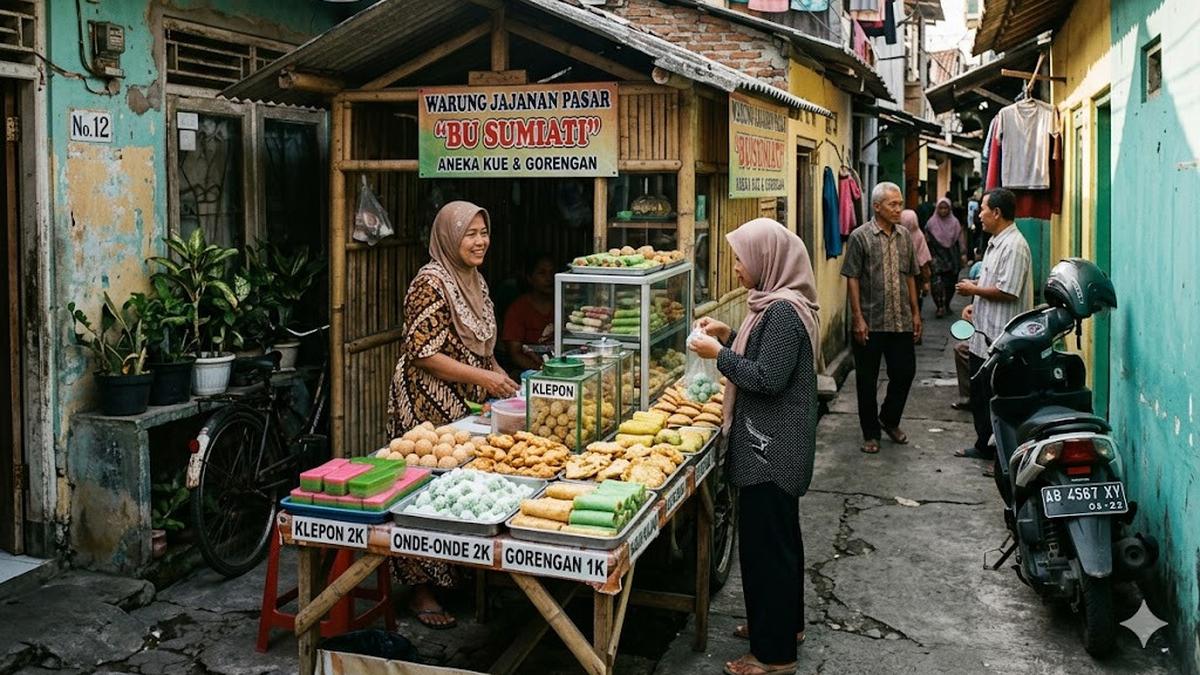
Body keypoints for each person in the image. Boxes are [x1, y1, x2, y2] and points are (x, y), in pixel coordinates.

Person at [688, 218, 819, 675]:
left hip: (772, 452)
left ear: (767, 259)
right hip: (777, 445)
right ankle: (783, 624)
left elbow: (766, 378)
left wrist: (717, 356)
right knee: (781, 543)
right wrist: (728, 336)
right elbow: (763, 356)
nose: (737, 268)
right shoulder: (774, 306)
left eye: (741, 259)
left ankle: (774, 655)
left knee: (768, 548)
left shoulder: (782, 312)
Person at [387, 201, 519, 628]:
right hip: (424, 404)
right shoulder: (430, 283)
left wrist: (505, 381)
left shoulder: (475, 281)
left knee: (458, 488)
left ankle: (453, 578)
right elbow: (423, 354)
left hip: (463, 400)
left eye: (484, 232)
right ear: (449, 237)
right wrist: (485, 378)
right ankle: (420, 591)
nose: (480, 241)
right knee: (422, 491)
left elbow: (481, 347)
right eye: (470, 234)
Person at [841, 182, 922, 454]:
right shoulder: (860, 237)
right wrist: (857, 318)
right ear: (877, 207)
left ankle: (889, 419)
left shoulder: (905, 237)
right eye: (893, 204)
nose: (899, 209)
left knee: (905, 372)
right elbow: (852, 277)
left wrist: (915, 312)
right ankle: (870, 433)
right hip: (871, 320)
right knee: (867, 379)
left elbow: (910, 274)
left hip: (900, 320)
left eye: (900, 204)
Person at [953, 188, 1032, 462]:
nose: (979, 217)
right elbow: (994, 285)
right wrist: (976, 302)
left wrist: (973, 288)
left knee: (996, 396)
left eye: (983, 210)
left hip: (1000, 340)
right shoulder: (996, 242)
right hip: (984, 335)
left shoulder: (1014, 246)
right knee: (981, 394)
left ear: (997, 213)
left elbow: (1008, 291)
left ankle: (999, 453)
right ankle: (984, 445)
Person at [501, 252, 556, 375]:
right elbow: (515, 353)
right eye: (542, 273)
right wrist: (543, 371)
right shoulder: (517, 310)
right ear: (530, 278)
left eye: (552, 272)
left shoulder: (563, 305)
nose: (549, 278)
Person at [925, 198, 967, 318]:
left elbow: (961, 240)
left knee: (950, 282)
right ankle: (939, 306)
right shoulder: (931, 223)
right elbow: (926, 240)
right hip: (936, 256)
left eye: (946, 208)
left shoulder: (955, 223)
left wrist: (963, 254)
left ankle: (947, 304)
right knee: (936, 283)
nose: (943, 211)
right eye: (941, 208)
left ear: (950, 209)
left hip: (951, 257)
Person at [900, 209, 932, 314]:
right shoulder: (919, 235)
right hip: (916, 274)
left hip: (902, 273)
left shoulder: (897, 235)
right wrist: (926, 281)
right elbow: (924, 258)